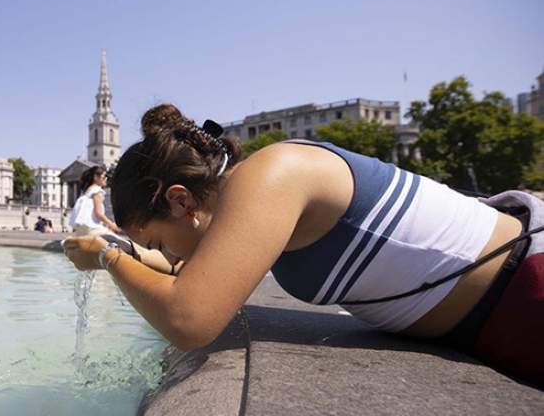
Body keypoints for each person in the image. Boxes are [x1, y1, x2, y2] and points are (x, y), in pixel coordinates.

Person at [63, 104, 544, 385]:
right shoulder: (243, 200)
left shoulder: (273, 174)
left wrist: (107, 257)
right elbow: (177, 277)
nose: (169, 255)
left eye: (159, 241)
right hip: (499, 312)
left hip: (525, 292)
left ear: (180, 200)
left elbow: (189, 319)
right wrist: (126, 253)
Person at [68, 165, 121, 235]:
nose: (106, 179)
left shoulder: (87, 192)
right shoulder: (97, 191)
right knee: (120, 243)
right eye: (104, 176)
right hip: (91, 228)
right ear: (96, 178)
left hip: (81, 229)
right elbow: (98, 213)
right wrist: (112, 225)